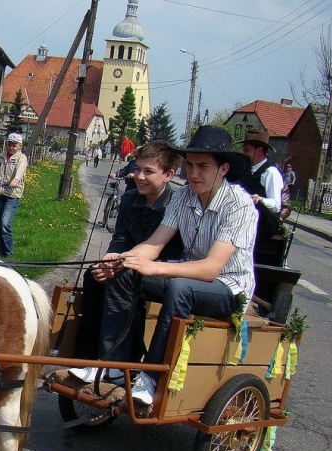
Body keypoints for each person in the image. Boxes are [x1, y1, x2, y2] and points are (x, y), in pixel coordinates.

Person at [96, 125, 257, 406]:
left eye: (203, 166)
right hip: (188, 279)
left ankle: (152, 377)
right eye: (191, 165)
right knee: (122, 276)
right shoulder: (184, 196)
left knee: (180, 287)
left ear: (223, 169)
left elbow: (211, 269)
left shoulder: (240, 206)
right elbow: (155, 245)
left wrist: (155, 268)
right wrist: (123, 259)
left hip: (229, 290)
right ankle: (114, 366)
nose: (193, 174)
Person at [72, 141, 184, 377]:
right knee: (94, 275)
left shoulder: (176, 206)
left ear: (168, 175)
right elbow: (121, 238)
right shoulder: (129, 199)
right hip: (129, 263)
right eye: (138, 169)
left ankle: (121, 361)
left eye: (148, 172)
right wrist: (109, 257)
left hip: (162, 272)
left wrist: (123, 263)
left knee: (124, 279)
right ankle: (87, 358)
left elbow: (165, 252)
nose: (140, 176)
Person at [238, 129, 284, 240]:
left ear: (258, 151)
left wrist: (261, 199)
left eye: (247, 150)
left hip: (264, 223)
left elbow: (276, 205)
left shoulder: (271, 172)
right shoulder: (245, 169)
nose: (243, 153)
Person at [0, 132, 28, 259]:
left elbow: (20, 170)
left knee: (5, 223)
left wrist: (16, 180)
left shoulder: (21, 158)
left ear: (20, 146)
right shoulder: (0, 156)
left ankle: (8, 253)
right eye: (9, 144)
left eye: (14, 145)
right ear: (6, 144)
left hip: (12, 194)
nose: (11, 147)